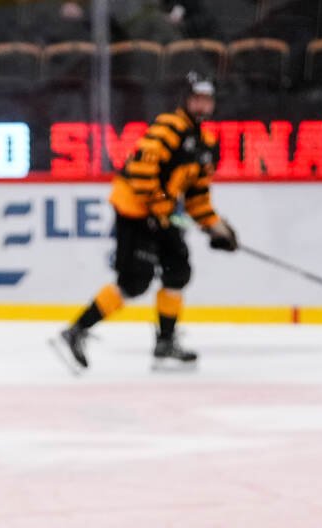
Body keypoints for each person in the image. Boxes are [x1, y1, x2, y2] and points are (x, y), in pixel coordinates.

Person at [55, 72, 237, 371]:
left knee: (178, 271)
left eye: (207, 99)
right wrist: (159, 209)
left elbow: (197, 197)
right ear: (186, 100)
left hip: (160, 214)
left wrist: (215, 227)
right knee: (134, 281)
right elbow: (141, 173)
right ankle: (76, 331)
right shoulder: (168, 127)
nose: (202, 105)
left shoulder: (207, 142)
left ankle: (165, 342)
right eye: (197, 99)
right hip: (135, 211)